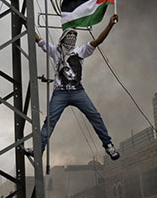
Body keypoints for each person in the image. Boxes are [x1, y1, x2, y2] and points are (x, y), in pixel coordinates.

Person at [27, 14, 121, 160]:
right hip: (60, 93)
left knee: (95, 116)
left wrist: (110, 25)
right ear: (63, 37)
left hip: (78, 91)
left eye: (74, 35)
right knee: (50, 121)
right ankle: (39, 149)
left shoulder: (80, 51)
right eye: (69, 34)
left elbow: (97, 41)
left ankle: (108, 145)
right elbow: (38, 39)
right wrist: (27, 23)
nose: (72, 37)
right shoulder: (55, 50)